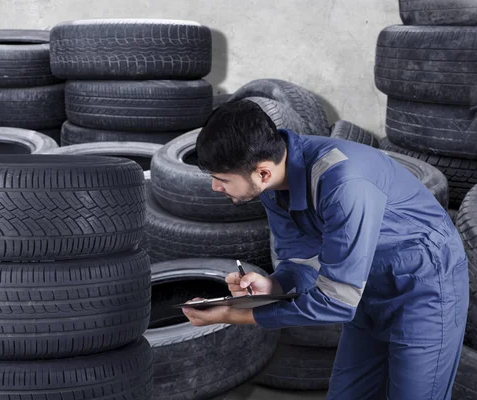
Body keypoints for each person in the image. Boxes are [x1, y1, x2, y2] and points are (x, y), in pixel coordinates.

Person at [181, 99, 469, 399]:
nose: (215, 187)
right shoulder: (274, 185)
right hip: (366, 285)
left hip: (427, 288)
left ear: (262, 172)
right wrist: (273, 284)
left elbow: (336, 303)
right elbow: (302, 259)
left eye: (221, 179)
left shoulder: (343, 183)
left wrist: (230, 314)